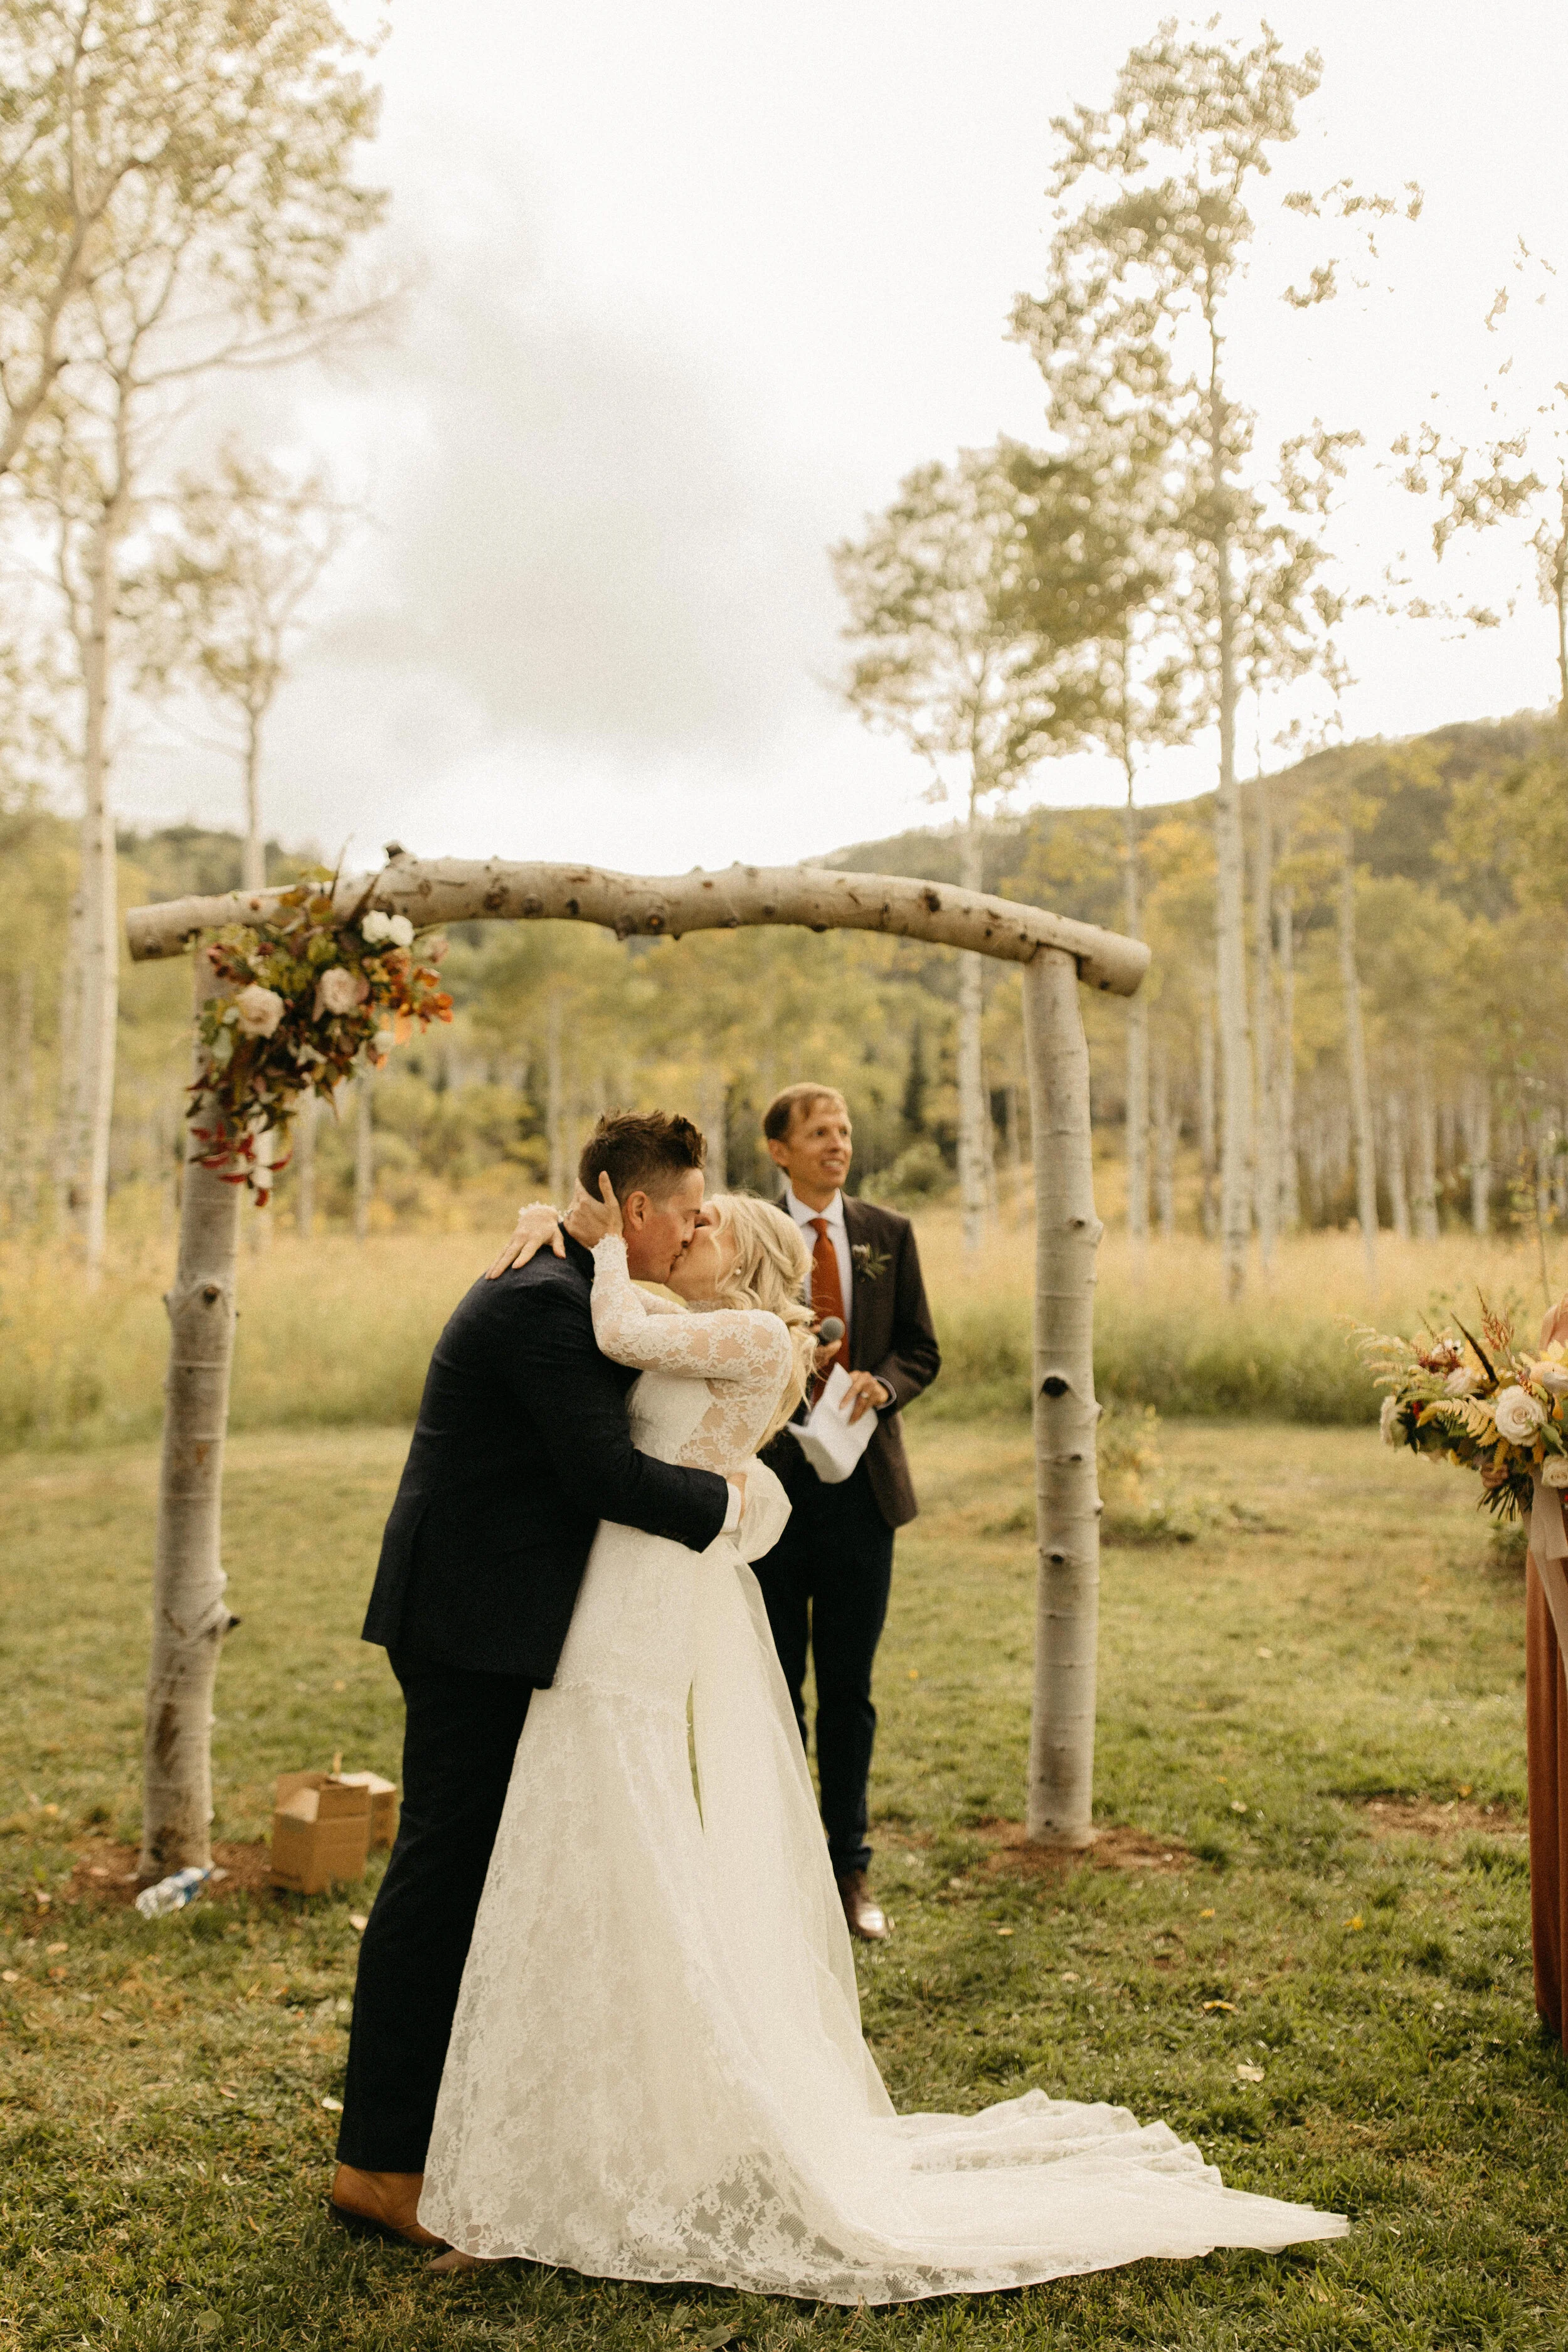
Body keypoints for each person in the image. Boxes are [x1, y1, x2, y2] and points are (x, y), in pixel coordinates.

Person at [423, 1170, 1346, 2297]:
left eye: (713, 1225)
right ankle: (600, 2114)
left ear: (748, 1266)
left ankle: (599, 2136)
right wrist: (555, 1224)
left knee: (619, 1837)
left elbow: (617, 1340)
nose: (694, 1228)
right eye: (693, 1214)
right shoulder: (682, 1325)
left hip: (633, 1621)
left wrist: (596, 1244)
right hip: (611, 1611)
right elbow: (609, 1322)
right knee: (603, 1846)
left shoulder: (747, 1335)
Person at [330, 1111, 763, 2248]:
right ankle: (376, 2165)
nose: (695, 1227)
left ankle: (433, 2139)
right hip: (470, 1622)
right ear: (636, 1210)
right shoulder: (541, 1304)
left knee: (472, 1877)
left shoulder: (580, 1281)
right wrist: (738, 1506)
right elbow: (606, 1474)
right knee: (438, 1877)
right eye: (686, 1209)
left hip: (504, 1617)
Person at [752, 1083, 940, 1942]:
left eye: (846, 1131)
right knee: (777, 1687)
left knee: (851, 1691)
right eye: (819, 1132)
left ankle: (848, 1868)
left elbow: (921, 1349)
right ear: (779, 1150)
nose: (838, 1144)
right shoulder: (750, 1237)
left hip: (864, 1494)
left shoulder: (887, 1234)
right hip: (778, 1492)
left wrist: (884, 1384)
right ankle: (782, 1867)